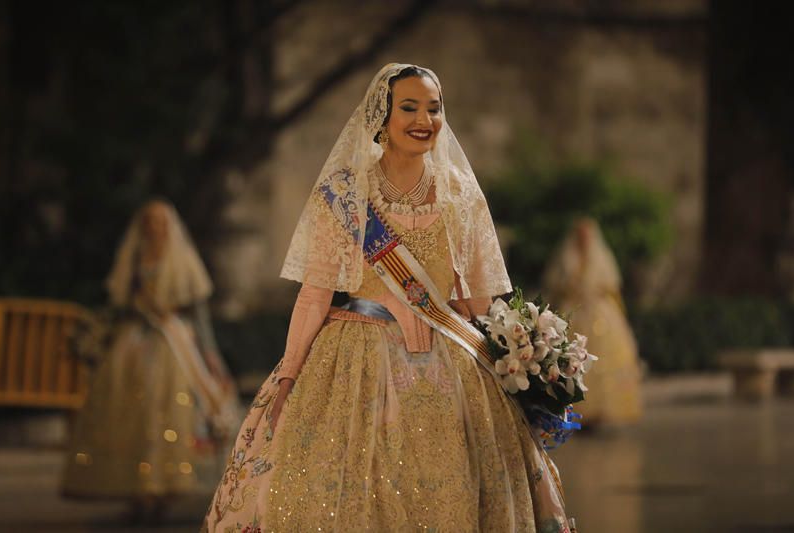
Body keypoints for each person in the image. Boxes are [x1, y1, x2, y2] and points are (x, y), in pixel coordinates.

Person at [203, 63, 571, 532]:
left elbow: (478, 299)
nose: (424, 120)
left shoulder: (461, 195)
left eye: (434, 108)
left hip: (450, 363)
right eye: (410, 108)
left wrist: (518, 356)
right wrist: (290, 375)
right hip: (356, 362)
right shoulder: (344, 196)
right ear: (382, 118)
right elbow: (315, 295)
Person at [61, 199, 241, 521]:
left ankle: (162, 487)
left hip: (172, 344)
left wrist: (210, 354)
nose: (156, 227)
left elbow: (198, 314)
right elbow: (120, 303)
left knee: (167, 414)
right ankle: (136, 488)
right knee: (131, 413)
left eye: (161, 221)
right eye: (151, 221)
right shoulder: (133, 258)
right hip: (135, 343)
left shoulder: (180, 260)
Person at [543, 217, 643, 429]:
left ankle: (602, 411)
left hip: (598, 311)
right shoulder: (567, 257)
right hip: (574, 309)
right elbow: (555, 282)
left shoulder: (601, 257)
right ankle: (575, 409)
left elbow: (611, 284)